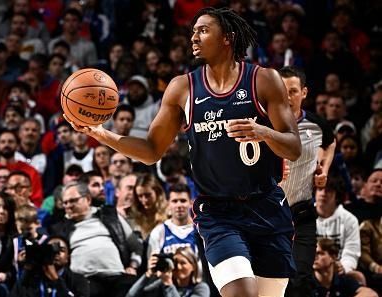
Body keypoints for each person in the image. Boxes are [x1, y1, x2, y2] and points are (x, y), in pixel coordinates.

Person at [65, 7, 301, 297]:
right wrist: (101, 133)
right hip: (218, 213)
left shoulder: (264, 80)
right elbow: (151, 151)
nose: (194, 37)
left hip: (266, 207)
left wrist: (263, 133)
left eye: (203, 30)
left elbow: (294, 147)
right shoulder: (182, 88)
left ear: (227, 37)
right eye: (193, 31)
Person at [278, 66, 336, 297]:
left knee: (300, 277)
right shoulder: (262, 123)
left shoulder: (317, 124)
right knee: (271, 277)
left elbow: (330, 143)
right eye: (281, 91)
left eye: (292, 91)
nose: (287, 97)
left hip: (302, 212)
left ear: (304, 93)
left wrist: (325, 170)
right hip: (267, 213)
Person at [126, 246, 210, 297]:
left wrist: (168, 284)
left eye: (183, 263)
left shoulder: (201, 288)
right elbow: (131, 295)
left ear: (193, 266)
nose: (178, 267)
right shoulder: (163, 283)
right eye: (175, 262)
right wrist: (148, 274)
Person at [312, 238, 378, 297]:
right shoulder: (304, 283)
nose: (314, 257)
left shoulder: (343, 281)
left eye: (320, 253)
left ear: (333, 257)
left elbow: (371, 294)